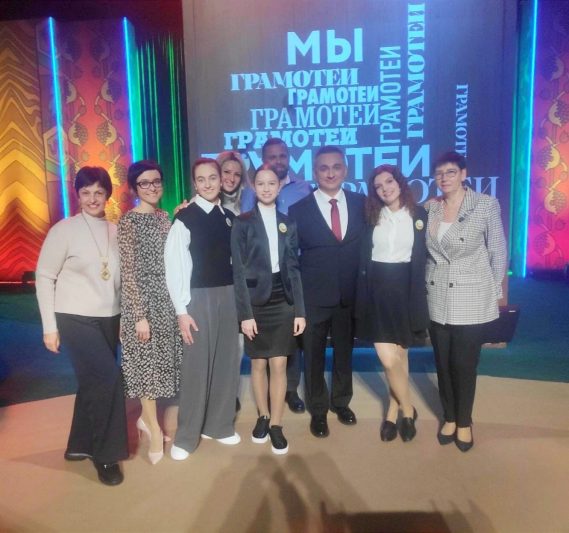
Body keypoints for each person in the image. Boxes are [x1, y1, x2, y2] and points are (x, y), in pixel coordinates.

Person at [35, 166, 127, 485]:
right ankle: (106, 455)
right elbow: (44, 277)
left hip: (109, 317)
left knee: (93, 382)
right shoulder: (64, 230)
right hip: (73, 317)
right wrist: (49, 327)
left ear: (108, 195)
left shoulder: (116, 230)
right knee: (109, 380)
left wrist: (124, 318)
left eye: (99, 192)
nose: (92, 198)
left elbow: (119, 281)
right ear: (77, 195)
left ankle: (79, 444)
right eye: (86, 192)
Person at [426, 151, 507, 452]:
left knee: (464, 363)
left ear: (463, 174)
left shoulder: (485, 204)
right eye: (439, 173)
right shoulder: (431, 207)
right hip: (436, 295)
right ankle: (449, 416)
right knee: (443, 362)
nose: (444, 178)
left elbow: (498, 251)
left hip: (471, 296)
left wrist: (492, 291)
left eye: (450, 172)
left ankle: (463, 421)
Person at [165, 158, 241, 460]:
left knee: (226, 362)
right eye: (201, 179)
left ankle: (219, 425)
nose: (208, 183)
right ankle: (186, 437)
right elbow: (175, 267)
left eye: (213, 177)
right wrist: (181, 311)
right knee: (196, 367)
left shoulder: (230, 218)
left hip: (229, 296)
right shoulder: (185, 219)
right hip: (197, 298)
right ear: (194, 184)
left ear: (222, 180)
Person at [288, 145, 366, 438]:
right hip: (313, 297)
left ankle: (341, 402)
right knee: (313, 356)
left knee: (345, 353)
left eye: (336, 167)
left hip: (349, 295)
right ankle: (318, 410)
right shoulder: (299, 209)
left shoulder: (362, 204)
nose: (330, 173)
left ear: (345, 170)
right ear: (314, 172)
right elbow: (291, 259)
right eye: (324, 168)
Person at [231, 165, 306, 455]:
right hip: (255, 302)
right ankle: (262, 415)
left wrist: (300, 310)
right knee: (259, 364)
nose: (266, 188)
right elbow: (238, 271)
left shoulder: (288, 222)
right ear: (254, 186)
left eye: (271, 183)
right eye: (260, 183)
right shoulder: (242, 222)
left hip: (283, 300)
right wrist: (245, 315)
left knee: (279, 364)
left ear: (279, 186)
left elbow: (294, 268)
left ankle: (276, 424)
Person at [355, 165, 429, 442]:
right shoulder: (370, 216)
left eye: (389, 181)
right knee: (387, 359)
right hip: (376, 290)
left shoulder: (419, 215)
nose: (385, 188)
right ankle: (408, 409)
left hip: (406, 290)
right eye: (378, 186)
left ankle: (391, 411)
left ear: (399, 182)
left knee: (400, 355)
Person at [117, 160, 183, 465]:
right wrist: (139, 315)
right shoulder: (128, 222)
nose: (152, 187)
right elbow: (128, 272)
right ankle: (154, 429)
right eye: (144, 183)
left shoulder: (164, 217)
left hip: (165, 300)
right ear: (134, 188)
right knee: (146, 368)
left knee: (160, 365)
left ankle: (145, 420)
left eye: (156, 181)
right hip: (141, 303)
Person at [242, 138, 313, 414]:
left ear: (289, 157)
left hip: (293, 271)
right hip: (259, 278)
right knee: (262, 352)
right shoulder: (250, 192)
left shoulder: (303, 188)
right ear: (264, 160)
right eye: (272, 156)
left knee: (289, 340)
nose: (278, 160)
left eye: (283, 155)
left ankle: (290, 390)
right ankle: (266, 401)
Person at [217, 150, 251, 215]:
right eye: (227, 172)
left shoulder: (249, 203)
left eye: (237, 174)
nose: (232, 179)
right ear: (217, 171)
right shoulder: (204, 202)